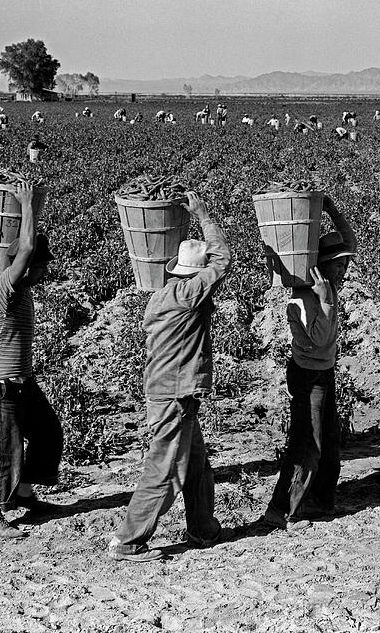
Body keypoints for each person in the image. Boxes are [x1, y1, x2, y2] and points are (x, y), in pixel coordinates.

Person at [109, 192, 232, 562]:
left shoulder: (161, 296)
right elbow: (223, 260)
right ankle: (128, 541)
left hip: (171, 391)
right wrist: (205, 216)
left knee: (195, 463)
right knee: (164, 470)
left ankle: (202, 527)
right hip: (174, 394)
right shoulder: (189, 295)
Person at [0, 181, 63, 539]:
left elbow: (30, 246)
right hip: (1, 387)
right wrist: (26, 204)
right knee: (4, 451)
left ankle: (26, 493)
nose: (45, 272)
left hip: (22, 383)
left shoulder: (24, 291)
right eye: (40, 266)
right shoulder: (5, 288)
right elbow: (26, 247)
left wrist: (34, 208)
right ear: (23, 266)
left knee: (48, 433)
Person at [265, 196, 356, 532]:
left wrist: (331, 209)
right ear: (321, 267)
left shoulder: (327, 287)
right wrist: (326, 303)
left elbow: (350, 241)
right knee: (309, 443)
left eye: (345, 265)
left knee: (329, 441)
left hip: (324, 372)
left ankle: (319, 501)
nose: (344, 270)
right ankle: (282, 510)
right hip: (307, 376)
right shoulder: (302, 299)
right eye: (339, 265)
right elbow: (319, 339)